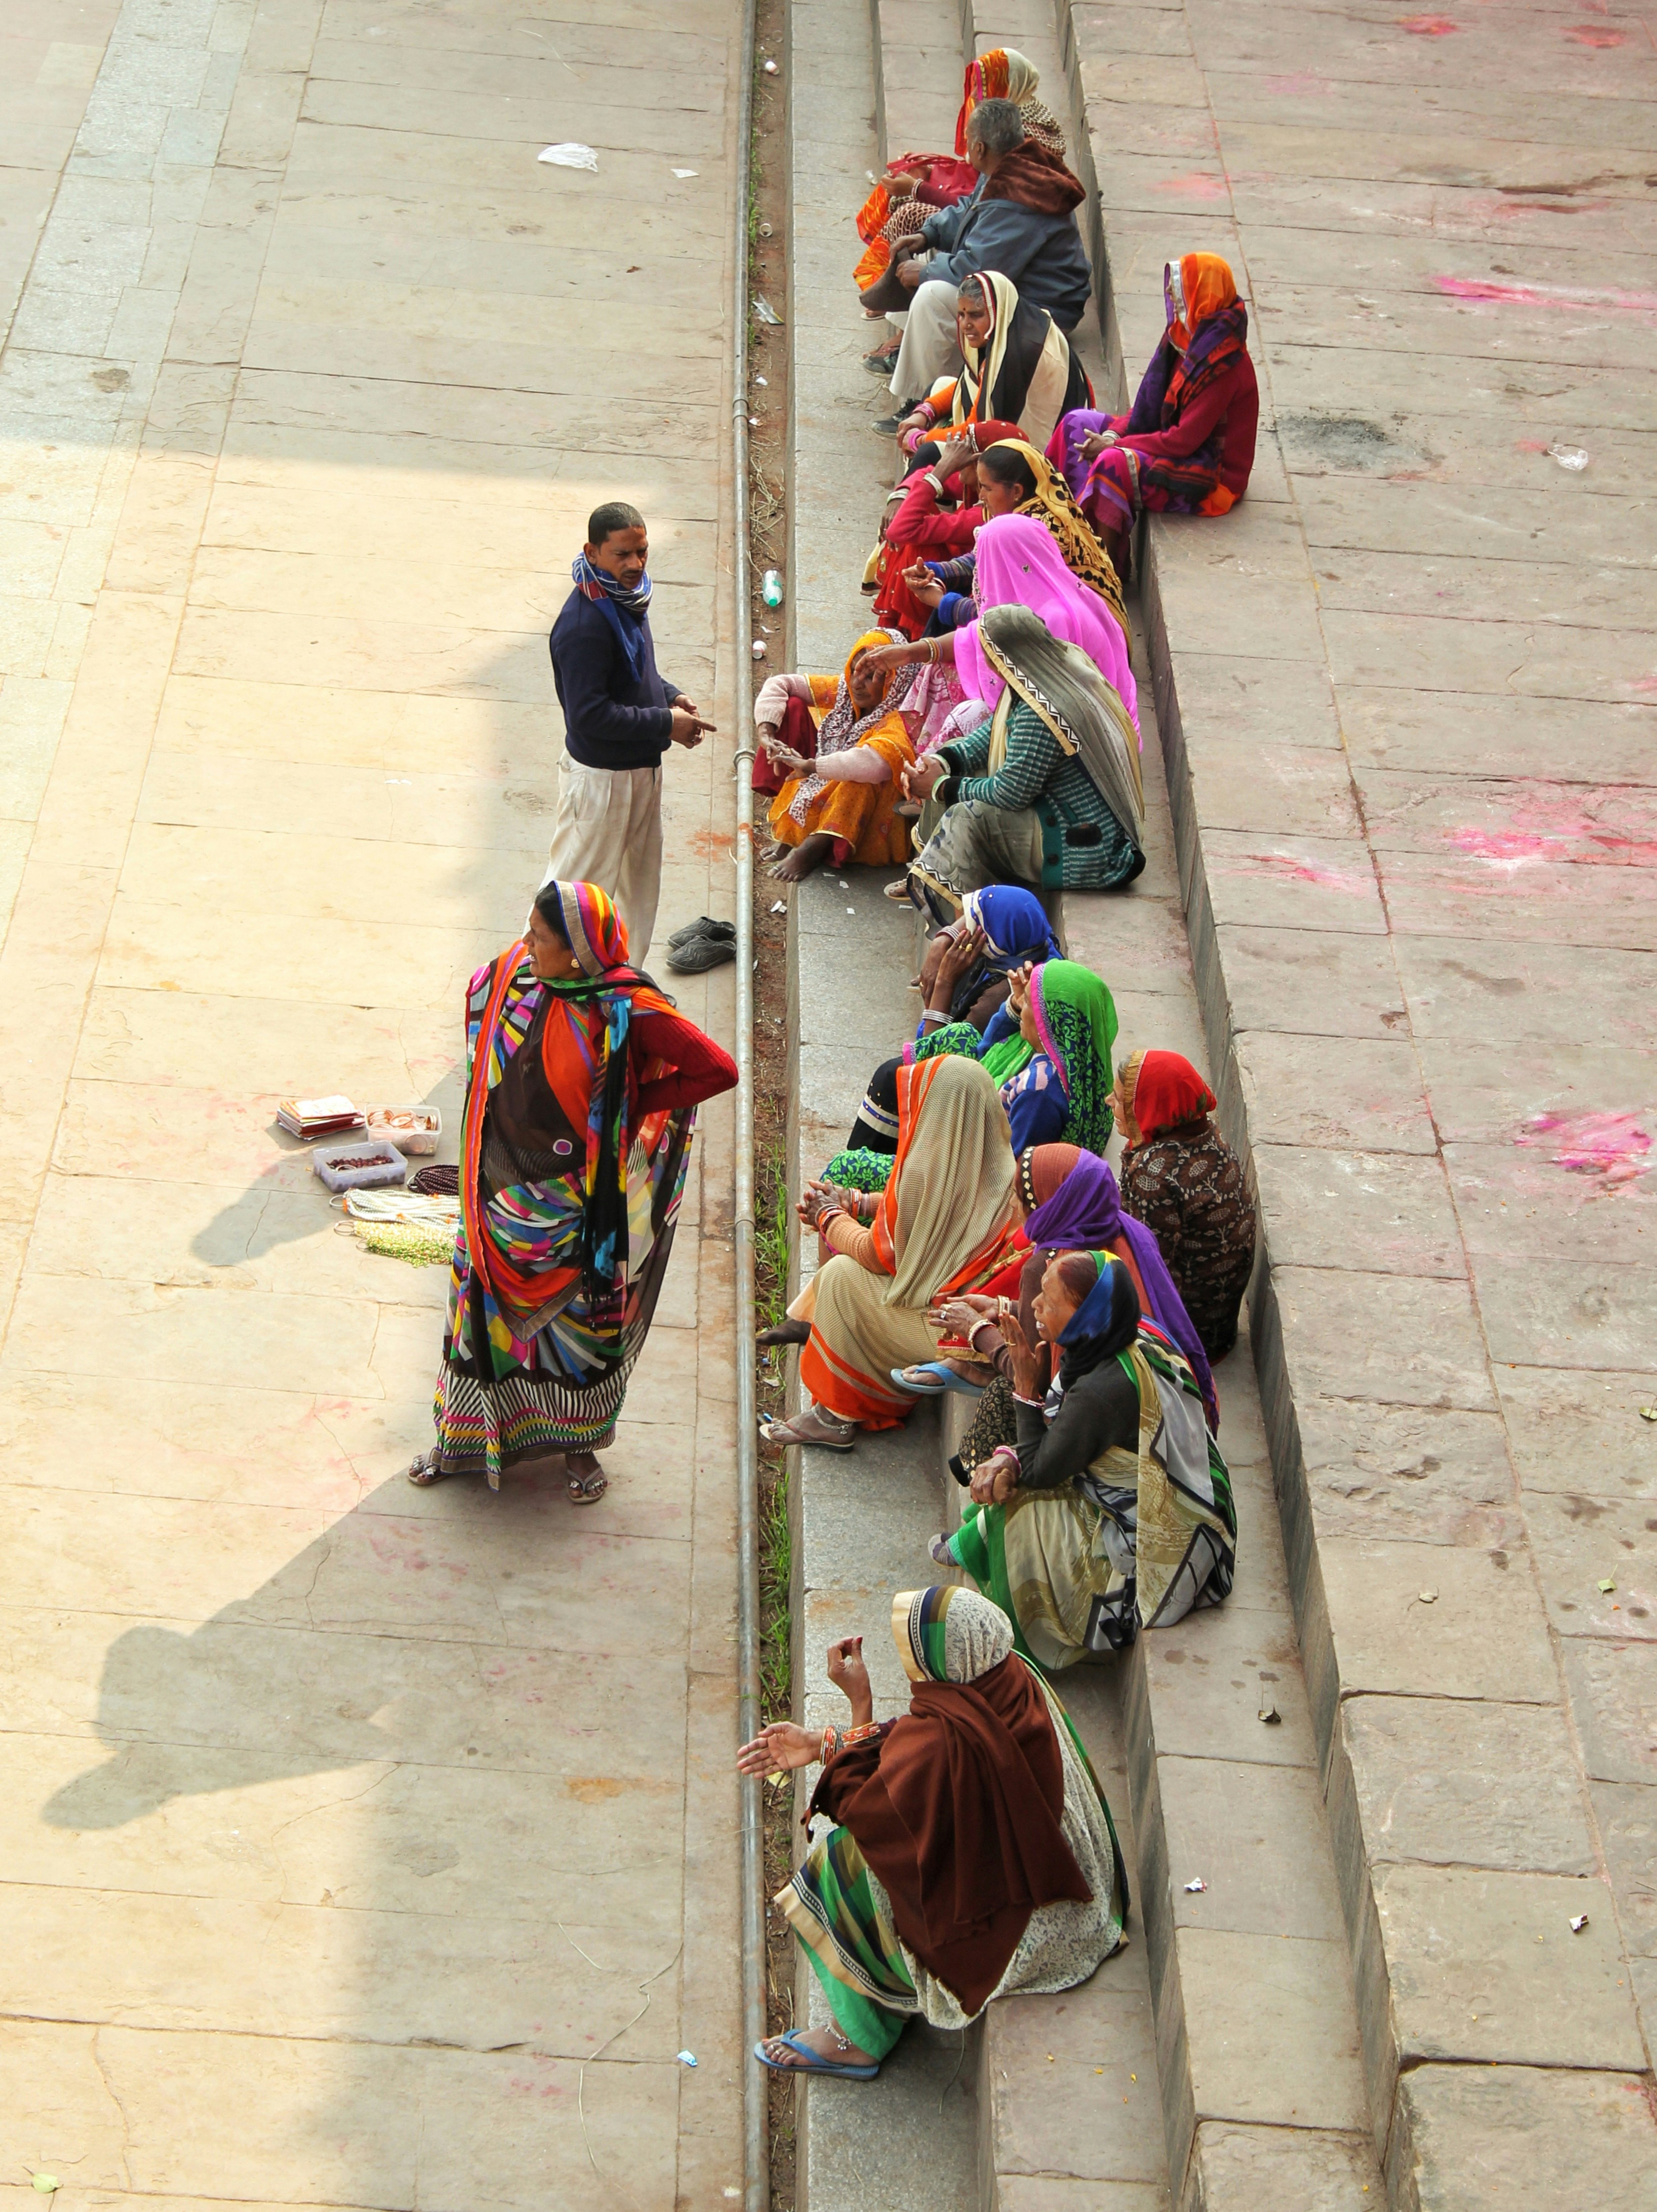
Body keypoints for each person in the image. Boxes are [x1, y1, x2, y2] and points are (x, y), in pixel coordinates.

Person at [407, 879, 737, 1501]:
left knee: (581, 1325)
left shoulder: (625, 1008)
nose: (525, 945)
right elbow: (484, 1019)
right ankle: (461, 1441)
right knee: (476, 1319)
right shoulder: (518, 974)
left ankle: (579, 1445)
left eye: (540, 938)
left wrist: (635, 1099)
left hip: (575, 1210)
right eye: (528, 930)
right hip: (494, 1197)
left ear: (580, 953)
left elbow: (718, 1069)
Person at [738, 1585, 1127, 2078]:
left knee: (839, 1864)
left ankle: (855, 2039)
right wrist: (822, 1742)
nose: (911, 1668)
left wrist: (858, 1705)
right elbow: (911, 1738)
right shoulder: (1007, 1674)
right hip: (1071, 1896)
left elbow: (862, 1806)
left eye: (913, 1656)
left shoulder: (945, 1747)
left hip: (1019, 1935)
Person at [934, 1253, 1236, 1669]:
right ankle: (971, 1544)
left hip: (1163, 1551)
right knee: (1010, 1458)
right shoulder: (1127, 1333)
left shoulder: (1101, 1392)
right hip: (1198, 1503)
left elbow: (1042, 1469)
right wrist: (1008, 1453)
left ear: (1085, 1319)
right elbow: (1059, 1434)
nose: (1035, 1305)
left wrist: (1024, 1386)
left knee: (1020, 1503)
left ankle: (1004, 1642)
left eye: (1049, 1302)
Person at [759, 1056, 1022, 1450]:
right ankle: (815, 1322)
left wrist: (828, 1215)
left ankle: (833, 1417)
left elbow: (877, 1254)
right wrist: (856, 1201)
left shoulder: (929, 1168)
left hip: (958, 1331)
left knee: (842, 1279)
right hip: (976, 1311)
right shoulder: (1001, 1164)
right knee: (852, 1275)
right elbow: (929, 1212)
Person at [877, 604, 1143, 919]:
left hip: (1082, 845)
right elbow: (993, 733)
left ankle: (958, 917)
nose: (984, 657)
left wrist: (939, 787)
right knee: (955, 757)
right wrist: (942, 762)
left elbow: (1011, 793)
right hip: (1061, 811)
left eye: (986, 649)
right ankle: (930, 873)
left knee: (966, 816)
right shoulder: (1041, 665)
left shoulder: (1041, 712)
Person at [546, 502, 714, 967]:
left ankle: (623, 989)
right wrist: (666, 724)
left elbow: (637, 673)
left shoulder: (626, 599)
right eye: (622, 554)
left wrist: (671, 697)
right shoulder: (584, 625)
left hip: (640, 773)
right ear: (593, 552)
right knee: (572, 898)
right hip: (601, 784)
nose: (636, 564)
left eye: (642, 552)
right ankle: (527, 996)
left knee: (638, 894)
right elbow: (589, 715)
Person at [879, 101, 1093, 426]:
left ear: (980, 147)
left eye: (968, 140)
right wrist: (928, 234)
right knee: (926, 253)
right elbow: (969, 211)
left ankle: (920, 402)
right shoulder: (1009, 164)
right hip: (1016, 281)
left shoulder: (1017, 195)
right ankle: (910, 349)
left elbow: (977, 267)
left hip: (1045, 308)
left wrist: (923, 273)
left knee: (932, 292)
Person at [1050, 255, 1258, 582]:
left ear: (1203, 295)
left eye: (1181, 292)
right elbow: (1148, 404)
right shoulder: (1184, 337)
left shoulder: (1224, 363)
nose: (1174, 300)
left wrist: (1115, 445)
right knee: (1076, 423)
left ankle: (1105, 573)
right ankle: (1070, 532)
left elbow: (1183, 440)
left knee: (1111, 463)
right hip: (1175, 441)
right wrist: (1117, 434)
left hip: (1211, 472)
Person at [1115, 1051, 1258, 1358]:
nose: (1108, 1103)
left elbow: (1149, 1266)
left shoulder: (1154, 1171)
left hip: (1189, 1334)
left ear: (1146, 1107)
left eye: (1118, 1098)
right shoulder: (1206, 1134)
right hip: (1219, 1324)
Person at [752, 629, 920, 882]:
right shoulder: (846, 692)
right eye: (854, 671)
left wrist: (812, 766)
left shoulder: (902, 718)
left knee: (859, 778)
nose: (856, 684)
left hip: (871, 813)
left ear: (894, 680)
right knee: (793, 707)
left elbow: (874, 765)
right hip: (830, 774)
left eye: (871, 676)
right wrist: (767, 733)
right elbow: (780, 684)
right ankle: (791, 835)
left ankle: (814, 847)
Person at [890, 271, 1092, 458]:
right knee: (939, 387)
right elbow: (968, 383)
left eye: (976, 315)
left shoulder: (1017, 355)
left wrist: (920, 439)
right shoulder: (1011, 324)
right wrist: (924, 412)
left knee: (928, 453)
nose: (966, 325)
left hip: (1045, 457)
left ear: (997, 311)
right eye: (961, 314)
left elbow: (976, 432)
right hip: (996, 431)